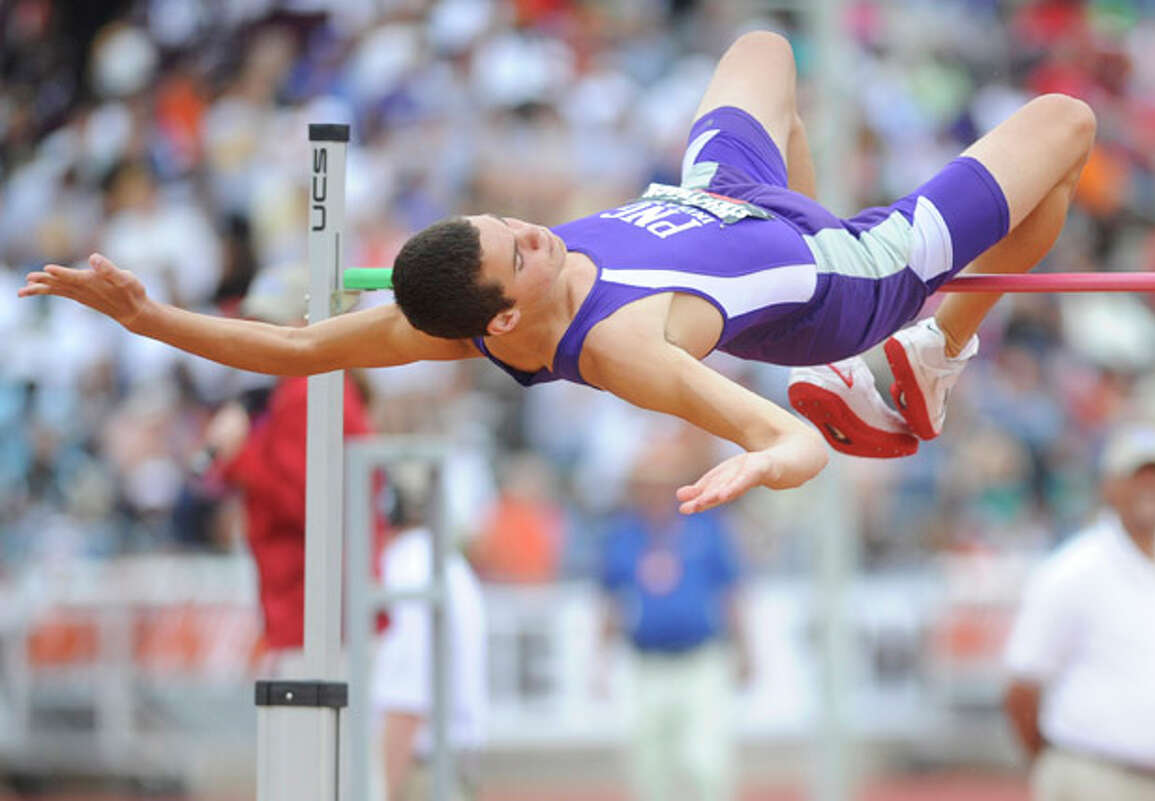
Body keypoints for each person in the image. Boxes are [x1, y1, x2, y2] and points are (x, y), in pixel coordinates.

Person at [19, 31, 1097, 514]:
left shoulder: (458, 304)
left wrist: (147, 313)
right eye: (520, 250)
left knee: (766, 50)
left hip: (725, 199)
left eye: (511, 222)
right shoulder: (624, 348)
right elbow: (794, 441)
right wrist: (761, 463)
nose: (536, 229)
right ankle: (920, 347)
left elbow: (296, 347)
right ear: (499, 320)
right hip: (850, 273)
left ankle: (911, 363)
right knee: (1065, 125)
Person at [1002, 424, 1155, 801]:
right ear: (1109, 486)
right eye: (1136, 477)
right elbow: (1021, 687)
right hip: (1094, 775)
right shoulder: (1072, 571)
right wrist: (1055, 766)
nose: (1149, 488)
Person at [202, 264, 383, 675]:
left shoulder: (308, 393)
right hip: (316, 614)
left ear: (306, 324)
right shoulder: (304, 389)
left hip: (315, 619)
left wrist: (238, 456)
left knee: (306, 734)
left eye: (269, 323)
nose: (254, 336)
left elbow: (310, 508)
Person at [596, 436, 752, 801]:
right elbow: (611, 602)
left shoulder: (707, 529)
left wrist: (746, 649)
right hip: (647, 662)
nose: (655, 493)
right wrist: (600, 660)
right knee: (650, 766)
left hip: (700, 659)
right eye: (648, 485)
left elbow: (731, 594)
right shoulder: (624, 536)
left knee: (707, 762)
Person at [372, 469, 487, 801]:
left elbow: (405, 700)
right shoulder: (446, 566)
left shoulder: (405, 571)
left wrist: (382, 791)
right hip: (445, 765)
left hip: (419, 770)